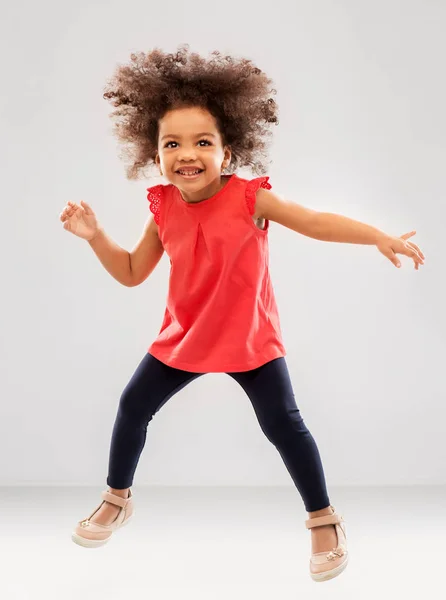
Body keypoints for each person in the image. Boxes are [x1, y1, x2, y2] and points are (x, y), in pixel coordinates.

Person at [59, 45, 425, 581]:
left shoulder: (250, 198)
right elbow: (134, 271)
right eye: (173, 143)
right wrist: (95, 237)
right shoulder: (162, 207)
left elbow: (316, 221)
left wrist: (378, 236)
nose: (188, 153)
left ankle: (323, 517)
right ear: (154, 154)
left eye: (203, 142)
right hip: (184, 339)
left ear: (227, 153)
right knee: (132, 405)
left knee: (284, 425)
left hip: (249, 341)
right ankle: (117, 497)